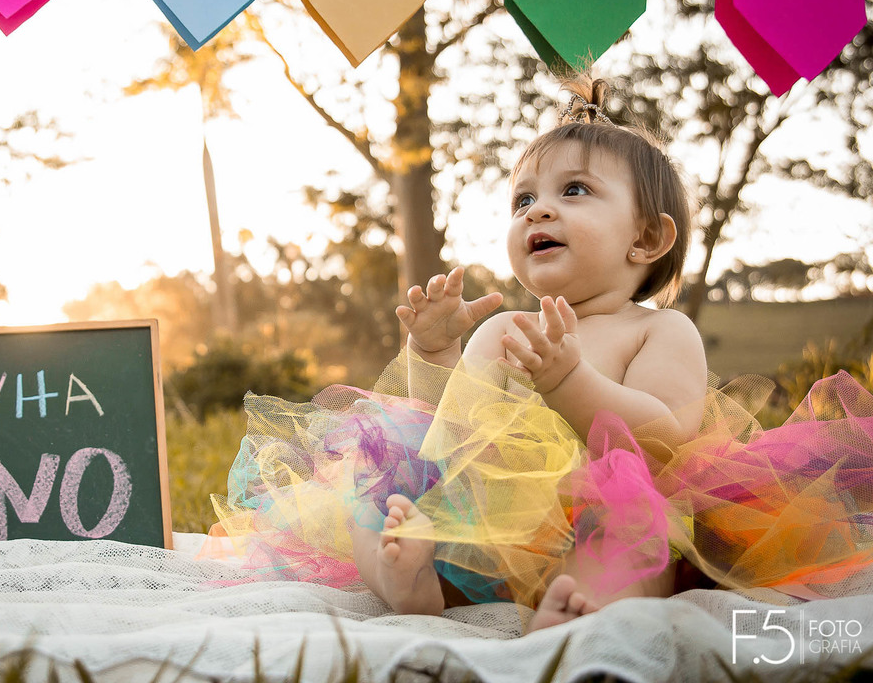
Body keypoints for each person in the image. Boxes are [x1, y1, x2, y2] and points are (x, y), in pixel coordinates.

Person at [205, 77, 873, 632]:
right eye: (523, 198)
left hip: (599, 519)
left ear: (646, 239)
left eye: (573, 191)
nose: (537, 212)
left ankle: (582, 610)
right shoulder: (504, 330)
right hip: (486, 530)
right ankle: (407, 578)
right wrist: (432, 351)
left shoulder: (660, 332)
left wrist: (569, 380)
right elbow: (445, 433)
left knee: (633, 530)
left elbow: (667, 442)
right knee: (377, 482)